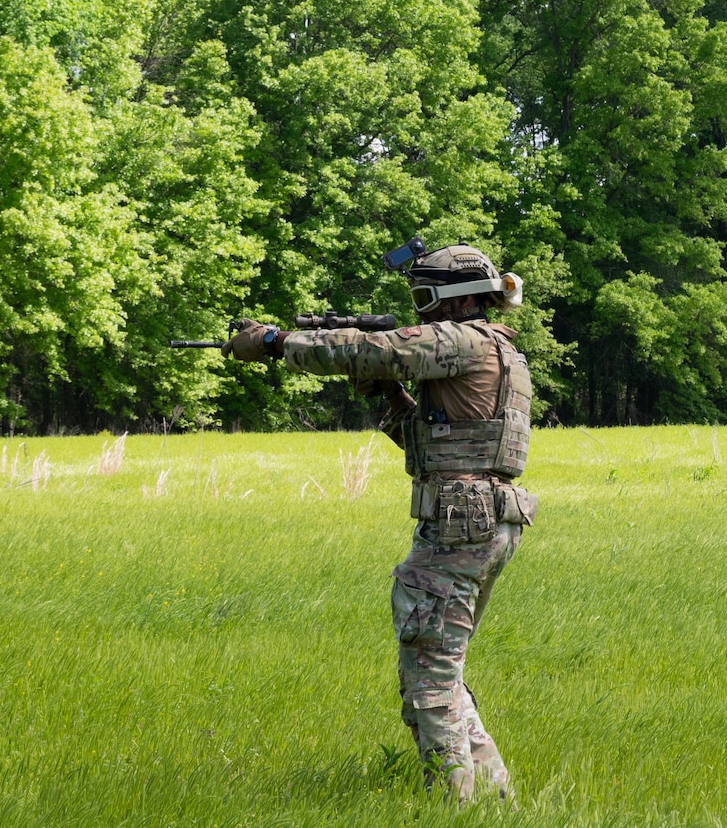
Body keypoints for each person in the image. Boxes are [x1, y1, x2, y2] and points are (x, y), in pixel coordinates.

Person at [224, 243, 535, 803]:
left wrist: (273, 342)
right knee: (444, 667)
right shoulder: (500, 353)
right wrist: (392, 395)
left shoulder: (460, 339)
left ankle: (453, 801)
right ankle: (493, 796)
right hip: (485, 520)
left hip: (458, 525)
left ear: (447, 298)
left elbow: (372, 347)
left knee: (428, 679)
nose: (418, 312)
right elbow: (439, 446)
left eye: (422, 298)